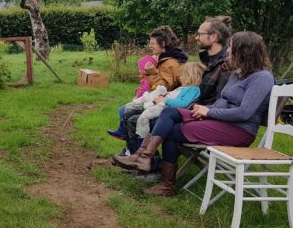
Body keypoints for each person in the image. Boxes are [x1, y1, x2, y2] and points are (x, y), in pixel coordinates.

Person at [117, 31, 274, 197]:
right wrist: (204, 111)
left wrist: (210, 112)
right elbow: (223, 100)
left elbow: (244, 113)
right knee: (170, 112)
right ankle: (143, 156)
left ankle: (164, 182)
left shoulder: (261, 78)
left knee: (171, 131)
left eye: (231, 48)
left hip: (239, 131)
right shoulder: (239, 73)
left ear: (244, 51)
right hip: (222, 122)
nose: (228, 51)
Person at [120, 17, 232, 153]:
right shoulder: (209, 61)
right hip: (188, 108)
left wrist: (189, 108)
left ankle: (146, 161)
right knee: (133, 115)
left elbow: (221, 100)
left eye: (200, 34)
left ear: (213, 37)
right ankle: (139, 157)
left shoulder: (225, 66)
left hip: (200, 114)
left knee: (137, 119)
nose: (196, 37)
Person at [114, 62, 205, 170]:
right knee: (128, 115)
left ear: (190, 76)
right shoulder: (184, 88)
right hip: (161, 109)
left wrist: (164, 99)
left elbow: (182, 104)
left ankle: (151, 164)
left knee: (133, 121)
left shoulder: (193, 89)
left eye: (182, 75)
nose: (180, 77)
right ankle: (133, 155)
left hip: (169, 116)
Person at [117, 26, 188, 155]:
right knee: (125, 111)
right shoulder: (165, 60)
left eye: (153, 43)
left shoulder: (170, 63)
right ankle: (131, 151)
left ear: (163, 44)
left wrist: (151, 73)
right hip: (161, 101)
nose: (150, 46)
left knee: (127, 113)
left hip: (166, 104)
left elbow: (163, 89)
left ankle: (140, 156)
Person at [107, 55, 158, 139]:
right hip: (144, 100)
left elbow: (144, 91)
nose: (139, 70)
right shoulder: (146, 78)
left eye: (140, 68)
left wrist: (137, 97)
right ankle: (123, 132)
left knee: (123, 110)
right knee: (123, 110)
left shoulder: (149, 80)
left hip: (146, 102)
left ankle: (124, 133)